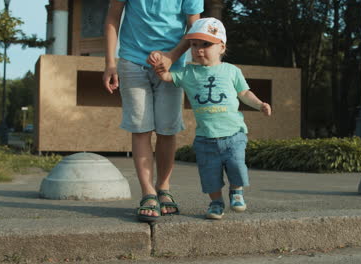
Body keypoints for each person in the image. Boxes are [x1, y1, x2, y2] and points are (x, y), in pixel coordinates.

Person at [149, 18, 272, 220]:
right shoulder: (188, 72)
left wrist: (260, 105)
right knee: (209, 175)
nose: (199, 49)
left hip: (234, 134)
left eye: (206, 44)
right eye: (194, 44)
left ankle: (236, 191)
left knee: (237, 166)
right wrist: (161, 69)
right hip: (206, 138)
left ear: (221, 47)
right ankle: (216, 202)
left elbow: (244, 93)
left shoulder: (232, 71)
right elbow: (168, 78)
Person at [103, 0, 203, 222]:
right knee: (140, 129)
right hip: (132, 61)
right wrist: (110, 62)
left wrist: (172, 56)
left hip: (171, 65)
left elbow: (194, 28)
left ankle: (163, 188)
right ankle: (148, 192)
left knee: (167, 130)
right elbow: (113, 17)